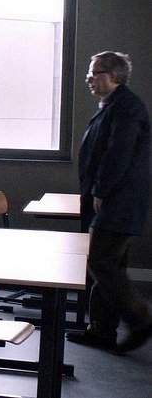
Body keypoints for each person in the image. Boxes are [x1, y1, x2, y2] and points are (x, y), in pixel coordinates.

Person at [70, 51, 152, 353]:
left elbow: (118, 153)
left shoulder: (126, 107)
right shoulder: (114, 105)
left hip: (118, 202)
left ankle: (140, 320)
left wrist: (101, 191)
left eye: (95, 73)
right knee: (109, 264)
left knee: (101, 263)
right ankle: (102, 330)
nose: (89, 79)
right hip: (114, 201)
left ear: (113, 76)